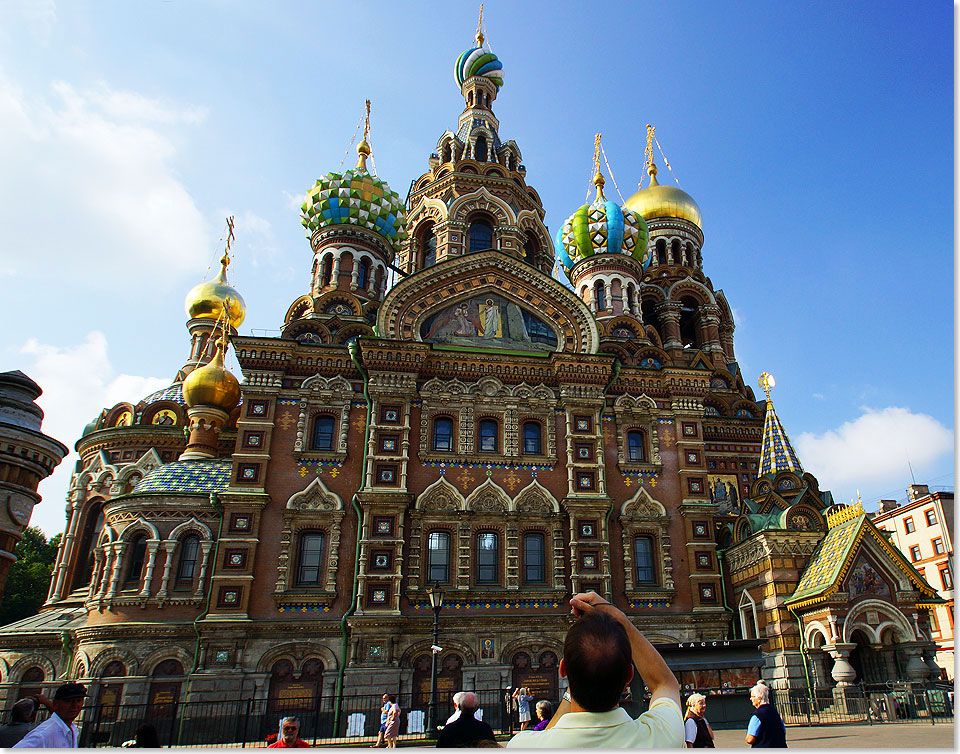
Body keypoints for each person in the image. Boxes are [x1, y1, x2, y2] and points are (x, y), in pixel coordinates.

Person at [506, 591, 682, 748]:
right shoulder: (662, 737)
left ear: (563, 669)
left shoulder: (522, 746)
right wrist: (620, 619)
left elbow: (548, 736)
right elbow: (664, 684)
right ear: (629, 675)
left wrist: (577, 675)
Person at [14, 682, 86, 748]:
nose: (75, 705)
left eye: (79, 701)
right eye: (68, 701)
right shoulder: (43, 734)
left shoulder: (72, 729)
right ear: (55, 704)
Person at [745, 683, 786, 748]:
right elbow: (783, 730)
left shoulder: (757, 716)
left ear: (759, 699)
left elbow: (750, 739)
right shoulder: (774, 712)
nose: (750, 699)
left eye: (752, 697)